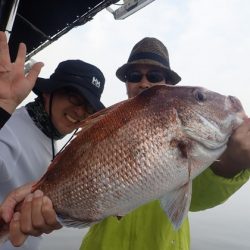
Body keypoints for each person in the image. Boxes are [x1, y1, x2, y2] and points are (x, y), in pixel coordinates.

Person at [1, 37, 250, 249]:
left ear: (169, 86)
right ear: (127, 83)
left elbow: (199, 198)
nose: (143, 82)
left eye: (154, 75)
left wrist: (233, 163)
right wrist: (40, 195)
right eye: (134, 75)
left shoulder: (199, 147)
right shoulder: (106, 125)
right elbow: (69, 173)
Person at [0, 31, 106, 250]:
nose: (80, 112)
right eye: (75, 98)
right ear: (48, 93)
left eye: (89, 108)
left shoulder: (48, 139)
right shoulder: (9, 130)